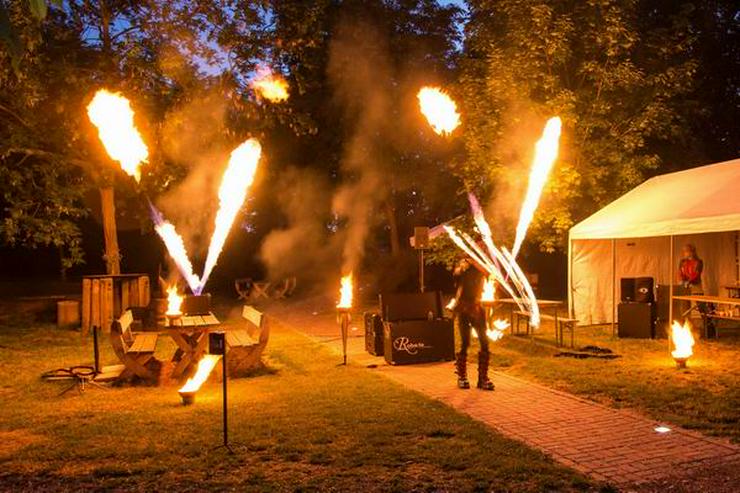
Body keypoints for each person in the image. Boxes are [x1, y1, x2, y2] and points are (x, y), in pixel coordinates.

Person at [451, 258, 494, 391]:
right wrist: (464, 264)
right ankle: (462, 376)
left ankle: (483, 378)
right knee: (465, 342)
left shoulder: (480, 267)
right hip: (464, 308)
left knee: (484, 342)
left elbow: (489, 273)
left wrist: (476, 261)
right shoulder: (462, 266)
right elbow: (456, 274)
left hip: (477, 308)